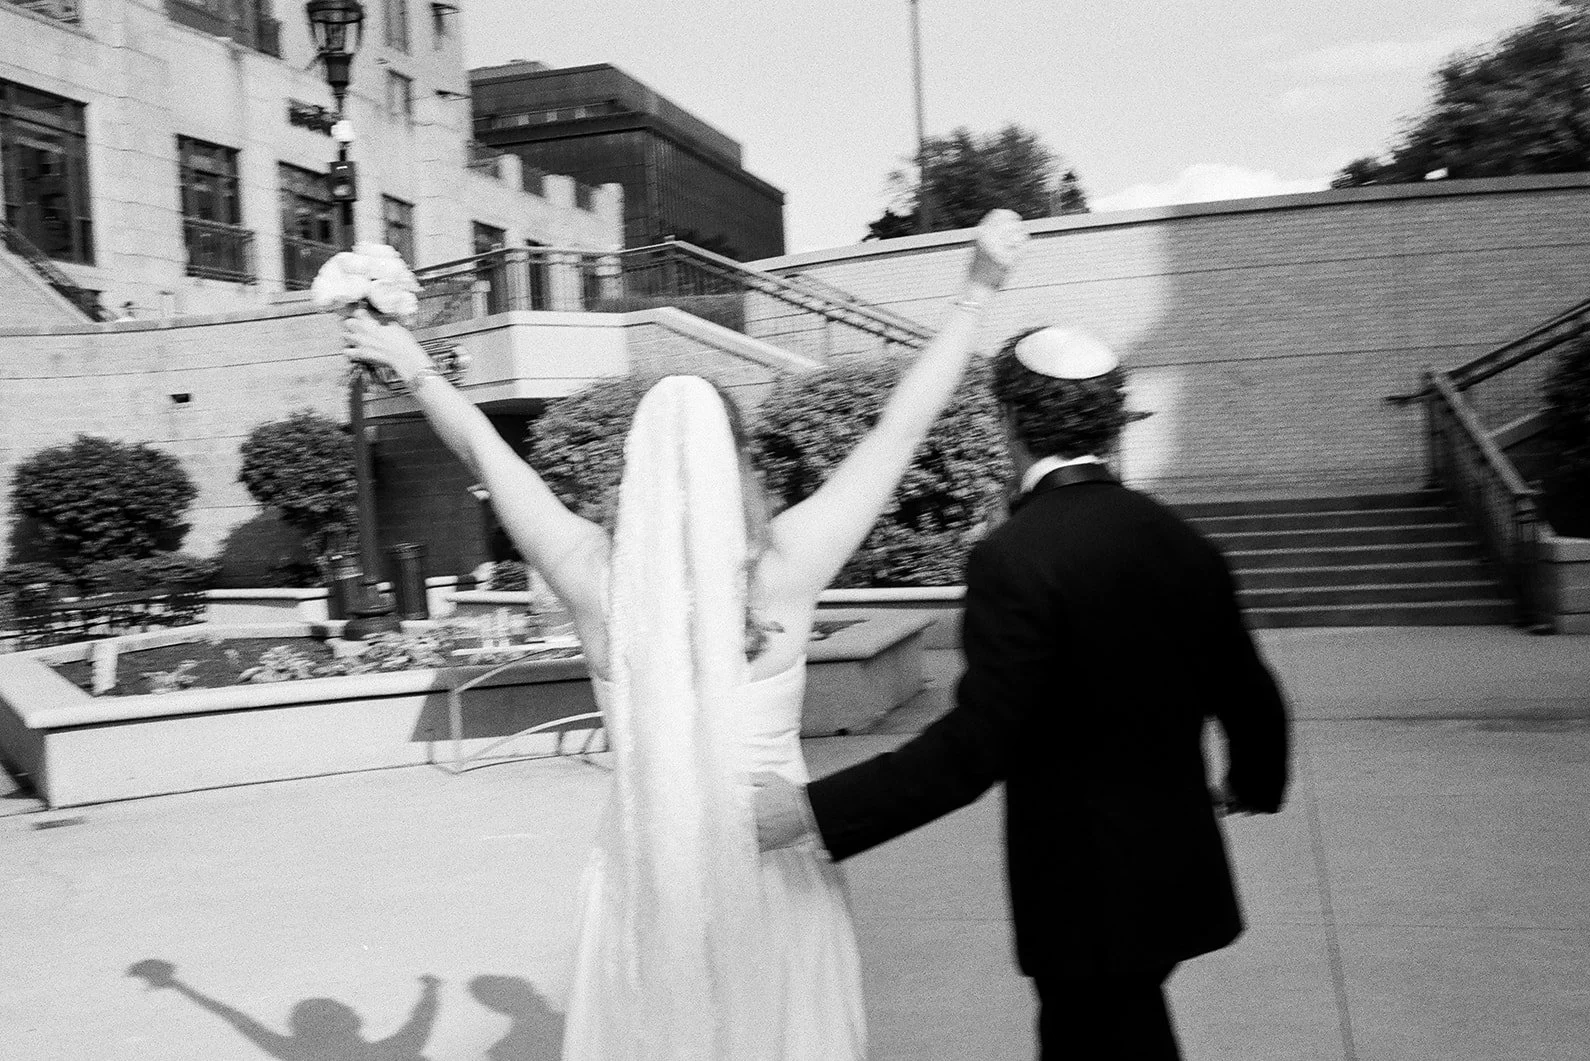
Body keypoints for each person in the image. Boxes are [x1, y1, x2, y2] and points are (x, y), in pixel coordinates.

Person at [338, 209, 1032, 1061]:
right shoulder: (785, 564)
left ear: (633, 472)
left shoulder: (593, 573)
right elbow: (897, 434)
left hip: (646, 881)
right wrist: (975, 292)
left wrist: (412, 363)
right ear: (739, 463)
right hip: (771, 867)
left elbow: (485, 452)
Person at [754, 324, 1292, 1060]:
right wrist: (1251, 782)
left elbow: (974, 748)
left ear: (1008, 419)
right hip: (1170, 876)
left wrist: (812, 811)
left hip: (1082, 896)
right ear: (1110, 420)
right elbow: (1252, 694)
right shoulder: (1184, 542)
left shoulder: (1013, 556)